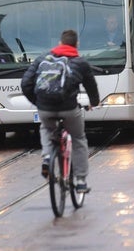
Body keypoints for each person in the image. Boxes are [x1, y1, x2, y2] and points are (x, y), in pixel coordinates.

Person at [21, 29, 100, 192]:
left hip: (45, 108)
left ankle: (47, 157)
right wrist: (94, 103)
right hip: (69, 109)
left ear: (59, 43)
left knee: (46, 128)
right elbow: (91, 87)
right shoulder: (81, 62)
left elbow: (25, 83)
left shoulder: (43, 58)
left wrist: (37, 102)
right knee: (78, 139)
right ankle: (80, 181)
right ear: (77, 44)